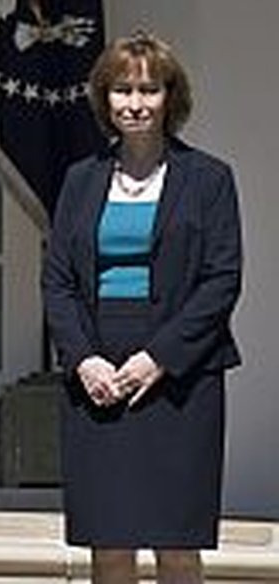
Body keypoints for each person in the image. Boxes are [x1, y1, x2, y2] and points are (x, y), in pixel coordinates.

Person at [43, 31, 242, 583]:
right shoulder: (80, 181)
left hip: (180, 379)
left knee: (175, 546)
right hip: (97, 378)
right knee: (109, 546)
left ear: (170, 98)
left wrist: (157, 358)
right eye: (122, 90)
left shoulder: (209, 180)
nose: (134, 103)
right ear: (104, 99)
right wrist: (84, 360)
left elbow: (221, 280)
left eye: (149, 90)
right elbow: (57, 281)